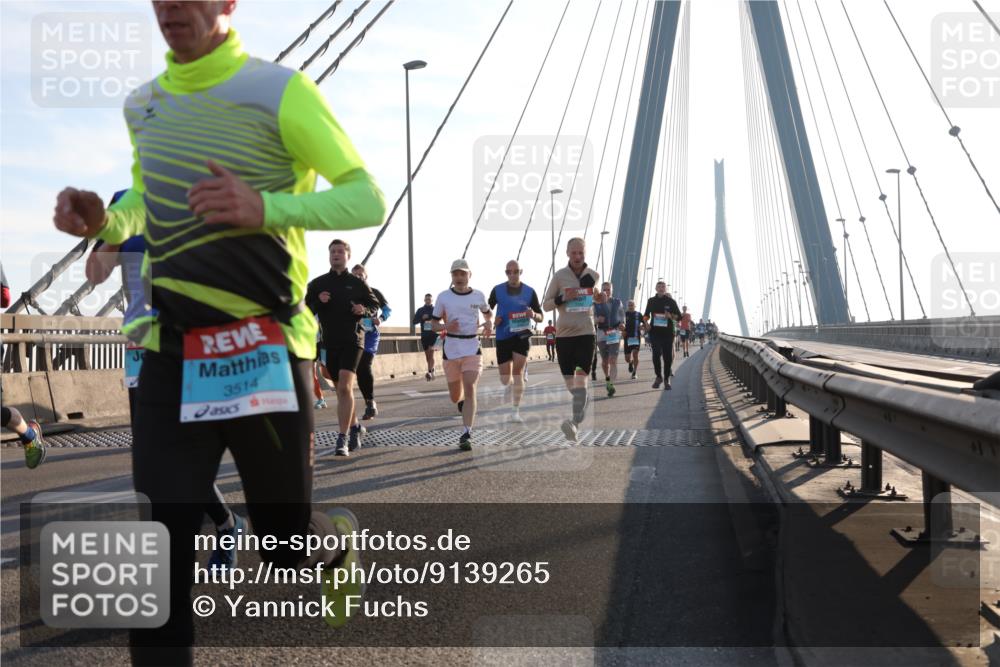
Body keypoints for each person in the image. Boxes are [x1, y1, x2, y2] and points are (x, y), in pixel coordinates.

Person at [51, 3, 385, 661]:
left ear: (228, 2)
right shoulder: (143, 104)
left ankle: (330, 542)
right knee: (161, 555)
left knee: (285, 542)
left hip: (263, 346)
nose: (171, 7)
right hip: (173, 351)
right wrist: (106, 222)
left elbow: (365, 196)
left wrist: (269, 207)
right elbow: (148, 200)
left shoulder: (280, 92)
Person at [85, 195, 244, 571]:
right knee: (153, 458)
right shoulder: (123, 200)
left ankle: (184, 549)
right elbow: (95, 273)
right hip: (142, 349)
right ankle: (224, 523)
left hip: (195, 343)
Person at [307, 240, 380, 456]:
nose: (336, 254)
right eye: (332, 251)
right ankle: (356, 426)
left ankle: (342, 438)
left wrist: (363, 309)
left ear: (347, 256)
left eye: (340, 251)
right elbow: (305, 309)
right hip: (329, 343)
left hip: (353, 340)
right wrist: (318, 301)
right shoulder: (317, 284)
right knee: (341, 391)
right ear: (329, 255)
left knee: (346, 386)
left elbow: (374, 305)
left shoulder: (356, 283)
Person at [431, 259, 493, 450]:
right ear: (452, 277)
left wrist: (489, 323)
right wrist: (445, 326)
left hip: (472, 347)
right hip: (451, 348)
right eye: (455, 274)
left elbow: (488, 313)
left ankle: (466, 433)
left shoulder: (478, 295)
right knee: (455, 396)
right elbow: (433, 325)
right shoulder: (443, 297)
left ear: (469, 275)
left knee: (471, 387)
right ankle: (461, 403)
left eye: (462, 274)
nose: (459, 277)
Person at [542, 238, 599, 442]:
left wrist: (599, 297)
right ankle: (582, 403)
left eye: (581, 253)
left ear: (585, 253)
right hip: (564, 336)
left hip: (586, 334)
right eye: (574, 253)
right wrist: (562, 298)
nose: (577, 257)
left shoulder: (593, 276)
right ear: (567, 253)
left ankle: (573, 423)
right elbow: (546, 305)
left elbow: (598, 299)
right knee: (571, 385)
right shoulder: (559, 277)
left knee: (581, 379)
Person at [488, 260, 542, 422]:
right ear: (506, 273)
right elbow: (486, 311)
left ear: (521, 272)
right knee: (505, 379)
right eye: (509, 272)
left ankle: (515, 411)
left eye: (516, 271)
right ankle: (512, 382)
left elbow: (540, 316)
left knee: (517, 373)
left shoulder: (529, 292)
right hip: (503, 336)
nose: (512, 274)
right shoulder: (497, 290)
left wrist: (533, 315)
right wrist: (492, 321)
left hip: (522, 335)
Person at [351, 264, 390, 420]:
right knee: (359, 371)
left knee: (364, 364)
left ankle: (370, 403)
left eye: (361, 275)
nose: (358, 277)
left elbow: (387, 309)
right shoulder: (347, 294)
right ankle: (369, 402)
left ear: (366, 276)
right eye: (355, 275)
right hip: (352, 335)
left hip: (370, 335)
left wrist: (380, 319)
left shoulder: (375, 293)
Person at [643, 281, 681, 390]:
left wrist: (670, 315)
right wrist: (646, 323)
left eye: (663, 286)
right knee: (655, 356)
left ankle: (666, 379)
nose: (661, 288)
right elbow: (646, 315)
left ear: (665, 289)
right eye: (659, 286)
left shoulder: (671, 301)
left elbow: (678, 317)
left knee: (667, 357)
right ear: (656, 288)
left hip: (668, 333)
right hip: (654, 332)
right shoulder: (651, 301)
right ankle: (658, 377)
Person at [593, 282, 625, 397]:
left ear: (612, 290)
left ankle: (611, 384)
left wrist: (622, 324)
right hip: (602, 333)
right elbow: (592, 318)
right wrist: (597, 320)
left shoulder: (617, 302)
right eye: (604, 289)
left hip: (614, 333)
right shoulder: (596, 303)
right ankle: (607, 379)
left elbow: (621, 315)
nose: (606, 291)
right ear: (601, 290)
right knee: (605, 362)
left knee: (613, 360)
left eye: (608, 289)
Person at [413, 293, 438, 380]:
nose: (428, 301)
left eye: (429, 299)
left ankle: (430, 372)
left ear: (432, 300)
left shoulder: (435, 309)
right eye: (426, 299)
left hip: (433, 334)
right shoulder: (420, 310)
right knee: (427, 356)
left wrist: (430, 317)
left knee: (431, 353)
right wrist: (422, 318)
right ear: (424, 300)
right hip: (424, 335)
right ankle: (432, 369)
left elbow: (440, 317)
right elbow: (414, 321)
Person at [623, 299, 643, 380]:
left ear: (635, 306)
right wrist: (622, 330)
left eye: (632, 305)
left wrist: (642, 327)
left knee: (635, 354)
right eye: (629, 305)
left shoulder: (639, 314)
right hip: (627, 338)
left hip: (636, 338)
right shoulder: (624, 315)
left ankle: (634, 372)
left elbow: (645, 324)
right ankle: (630, 362)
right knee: (627, 358)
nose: (631, 306)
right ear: (627, 306)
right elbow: (619, 324)